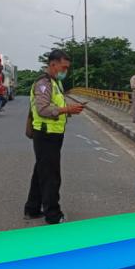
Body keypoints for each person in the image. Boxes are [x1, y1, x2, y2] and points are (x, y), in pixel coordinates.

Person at [24, 49, 84, 224]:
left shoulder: (55, 82)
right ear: (53, 64)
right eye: (64, 67)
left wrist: (69, 109)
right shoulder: (44, 83)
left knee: (41, 171)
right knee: (51, 176)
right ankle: (53, 215)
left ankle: (32, 208)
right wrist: (67, 109)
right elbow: (43, 109)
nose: (66, 71)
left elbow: (56, 104)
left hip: (53, 133)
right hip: (46, 134)